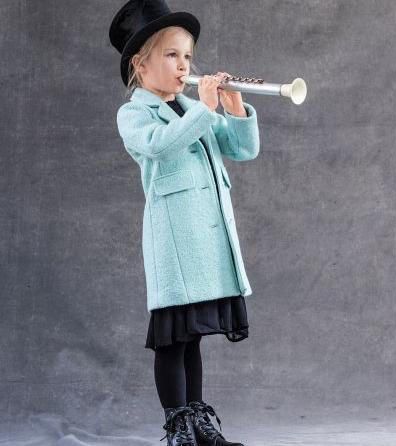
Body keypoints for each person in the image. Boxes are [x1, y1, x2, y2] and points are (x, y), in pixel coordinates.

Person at [109, 1, 260, 445]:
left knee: (193, 339)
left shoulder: (192, 107)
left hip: (205, 244)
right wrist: (205, 109)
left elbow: (242, 149)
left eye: (188, 57)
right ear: (141, 65)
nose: (184, 66)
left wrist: (234, 108)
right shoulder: (135, 114)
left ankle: (200, 424)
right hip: (174, 246)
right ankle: (178, 428)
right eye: (172, 55)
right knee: (173, 341)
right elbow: (160, 146)